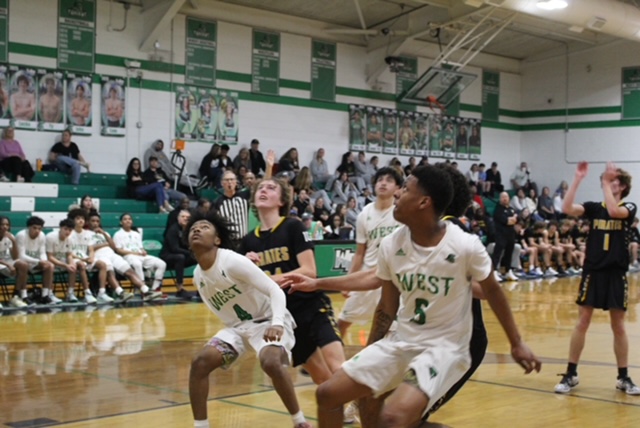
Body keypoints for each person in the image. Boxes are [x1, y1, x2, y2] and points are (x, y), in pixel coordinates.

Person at [282, 165, 541, 427]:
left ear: (425, 202)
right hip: (403, 339)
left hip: (444, 348)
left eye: (405, 189)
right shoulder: (393, 243)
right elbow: (385, 300)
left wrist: (516, 342)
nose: (397, 193)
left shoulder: (463, 243)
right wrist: (319, 285)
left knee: (396, 418)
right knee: (329, 394)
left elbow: (492, 291)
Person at [185, 211, 312, 428]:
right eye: (193, 228)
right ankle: (201, 425)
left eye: (205, 226)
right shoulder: (198, 275)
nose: (197, 229)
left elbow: (275, 290)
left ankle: (299, 421)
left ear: (217, 240)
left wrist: (277, 323)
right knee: (200, 363)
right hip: (237, 328)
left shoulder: (232, 261)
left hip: (268, 320)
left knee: (270, 362)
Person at [239, 177, 345, 387]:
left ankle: (364, 407)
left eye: (271, 188)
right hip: (285, 318)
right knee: (320, 377)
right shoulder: (248, 242)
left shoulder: (293, 227)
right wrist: (246, 267)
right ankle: (340, 413)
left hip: (311, 306)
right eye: (260, 188)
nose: (264, 190)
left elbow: (309, 270)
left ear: (282, 200)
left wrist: (266, 281)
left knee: (338, 366)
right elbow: (242, 288)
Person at [555, 161, 640, 395]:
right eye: (608, 180)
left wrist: (604, 182)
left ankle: (623, 377)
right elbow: (566, 207)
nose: (610, 183)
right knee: (582, 321)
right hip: (592, 272)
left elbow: (614, 212)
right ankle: (571, 373)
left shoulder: (629, 207)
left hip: (615, 273)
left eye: (614, 181)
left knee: (618, 326)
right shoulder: (593, 208)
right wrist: (577, 179)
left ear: (621, 186)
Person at [336, 167, 402, 342]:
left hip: (392, 280)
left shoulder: (402, 214)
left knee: (391, 330)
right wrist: (348, 281)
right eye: (380, 179)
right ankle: (327, 358)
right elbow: (359, 253)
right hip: (367, 275)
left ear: (397, 189)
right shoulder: (364, 214)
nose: (383, 183)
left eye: (389, 180)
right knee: (342, 321)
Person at [87, 212, 139, 303]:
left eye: (97, 221)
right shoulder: (86, 234)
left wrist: (104, 233)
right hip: (98, 256)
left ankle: (144, 290)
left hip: (111, 254)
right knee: (109, 270)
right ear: (88, 222)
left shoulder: (104, 233)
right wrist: (105, 244)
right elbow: (90, 248)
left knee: (128, 270)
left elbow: (113, 246)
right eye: (93, 221)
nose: (95, 223)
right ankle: (121, 292)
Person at [113, 213, 164, 301]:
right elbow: (118, 250)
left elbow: (140, 247)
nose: (128, 220)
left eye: (129, 219)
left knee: (162, 264)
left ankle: (154, 289)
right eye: (125, 219)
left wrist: (143, 251)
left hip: (140, 255)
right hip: (128, 256)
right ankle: (144, 291)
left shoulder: (136, 234)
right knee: (137, 264)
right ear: (121, 222)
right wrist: (134, 253)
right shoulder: (117, 234)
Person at [46, 218, 97, 304]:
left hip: (61, 260)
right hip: (50, 261)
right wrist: (66, 265)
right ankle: (50, 294)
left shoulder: (69, 239)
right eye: (65, 229)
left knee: (74, 266)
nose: (67, 232)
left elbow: (69, 255)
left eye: (70, 230)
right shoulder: (51, 237)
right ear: (60, 228)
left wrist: (71, 263)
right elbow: (50, 257)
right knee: (51, 266)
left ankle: (71, 293)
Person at [15, 216, 59, 304]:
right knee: (24, 265)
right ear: (28, 227)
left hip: (34, 262)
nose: (37, 231)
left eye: (39, 228)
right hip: (20, 263)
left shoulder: (42, 235)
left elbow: (42, 252)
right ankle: (23, 295)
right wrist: (39, 261)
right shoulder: (21, 235)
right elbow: (21, 256)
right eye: (34, 228)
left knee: (50, 266)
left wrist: (44, 261)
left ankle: (45, 295)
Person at [67, 209, 108, 303]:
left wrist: (91, 257)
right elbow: (69, 253)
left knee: (102, 264)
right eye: (78, 218)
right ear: (73, 220)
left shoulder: (88, 233)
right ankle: (87, 293)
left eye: (82, 218)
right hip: (73, 258)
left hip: (85, 258)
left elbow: (91, 249)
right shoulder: (69, 233)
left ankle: (102, 293)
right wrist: (83, 259)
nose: (81, 220)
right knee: (81, 265)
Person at [160, 209, 196, 300]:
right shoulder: (173, 229)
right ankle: (180, 288)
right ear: (178, 218)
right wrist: (190, 252)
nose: (185, 219)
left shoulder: (189, 230)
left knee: (198, 258)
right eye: (183, 217)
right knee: (180, 257)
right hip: (167, 256)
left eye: (187, 217)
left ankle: (201, 285)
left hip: (181, 256)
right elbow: (174, 249)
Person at [0, 215, 30, 308]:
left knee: (23, 265)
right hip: (3, 263)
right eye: (2, 224)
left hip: (6, 261)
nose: (5, 226)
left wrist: (13, 241)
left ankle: (15, 296)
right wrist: (9, 265)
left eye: (7, 225)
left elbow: (15, 257)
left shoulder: (10, 236)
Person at [214, 170, 249, 247]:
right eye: (226, 180)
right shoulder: (217, 203)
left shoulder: (245, 196)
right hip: (228, 243)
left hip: (245, 240)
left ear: (236, 182)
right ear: (222, 183)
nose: (229, 182)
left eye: (232, 179)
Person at [492, 192, 519, 281]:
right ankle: (494, 271)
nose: (505, 198)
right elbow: (507, 221)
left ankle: (508, 271)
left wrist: (512, 219)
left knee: (509, 253)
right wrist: (512, 219)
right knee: (497, 253)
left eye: (506, 197)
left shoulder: (511, 209)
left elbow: (515, 221)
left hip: (510, 234)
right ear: (500, 199)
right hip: (501, 234)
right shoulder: (498, 210)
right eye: (503, 197)